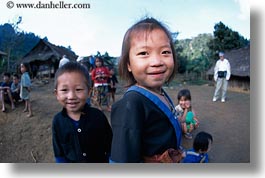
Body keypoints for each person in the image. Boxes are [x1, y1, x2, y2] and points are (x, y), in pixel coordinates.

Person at [110, 17, 183, 163]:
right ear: (128, 64)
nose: (157, 62)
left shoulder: (160, 92)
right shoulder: (131, 104)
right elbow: (122, 160)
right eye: (144, 53)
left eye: (165, 52)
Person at [52, 62, 112, 163]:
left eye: (78, 89)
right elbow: (59, 154)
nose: (71, 96)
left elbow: (110, 146)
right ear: (56, 94)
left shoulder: (98, 117)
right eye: (64, 90)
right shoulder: (57, 121)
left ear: (89, 92)